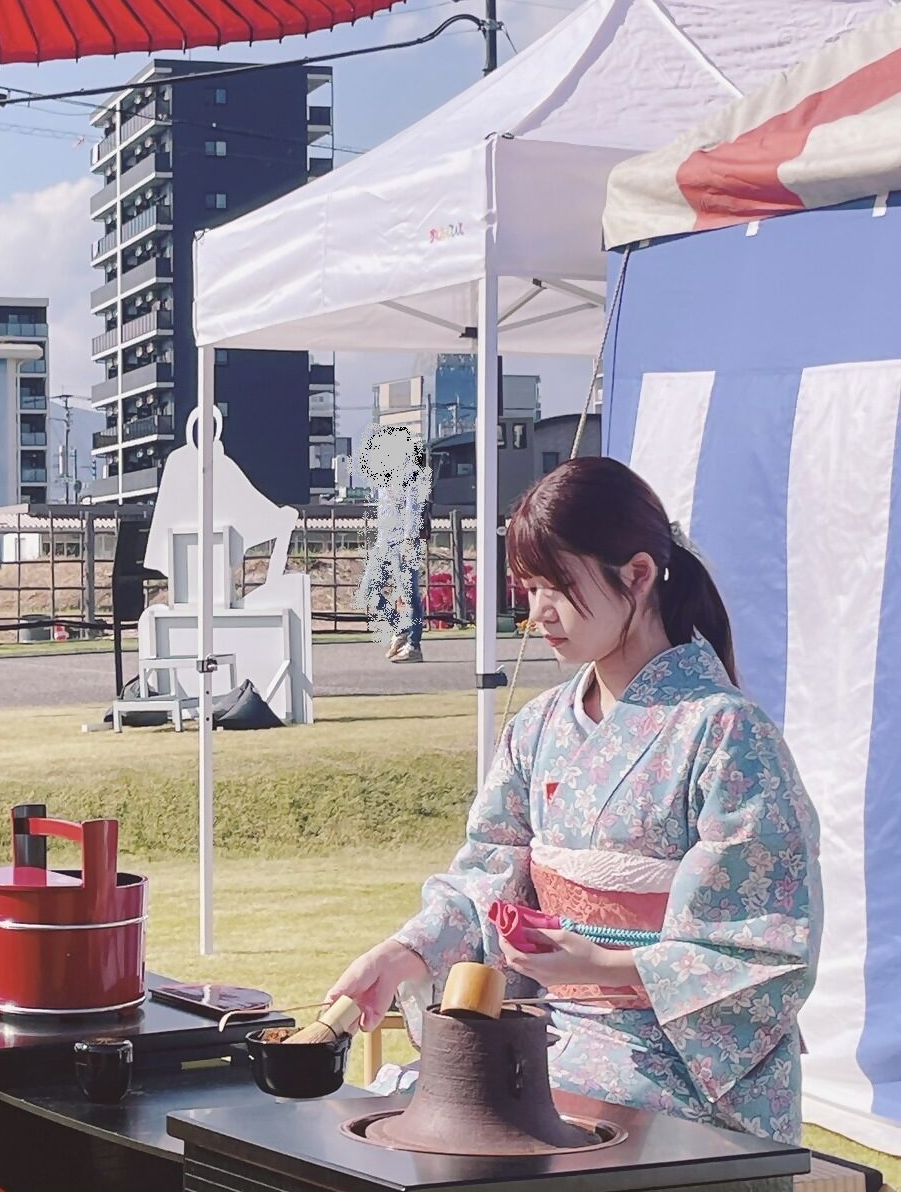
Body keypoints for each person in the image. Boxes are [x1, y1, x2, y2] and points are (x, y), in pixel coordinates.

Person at [328, 457, 821, 1144]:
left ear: (639, 575)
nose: (538, 615)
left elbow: (763, 947)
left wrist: (603, 966)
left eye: (558, 587)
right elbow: (486, 877)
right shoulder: (538, 728)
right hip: (551, 1040)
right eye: (528, 590)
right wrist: (405, 954)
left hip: (677, 1066)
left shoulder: (726, 732)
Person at [357, 427, 432, 663]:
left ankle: (414, 645)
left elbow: (414, 507)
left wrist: (409, 539)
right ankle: (399, 628)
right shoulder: (382, 477)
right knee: (369, 590)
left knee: (410, 595)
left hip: (404, 541)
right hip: (385, 541)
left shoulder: (411, 473)